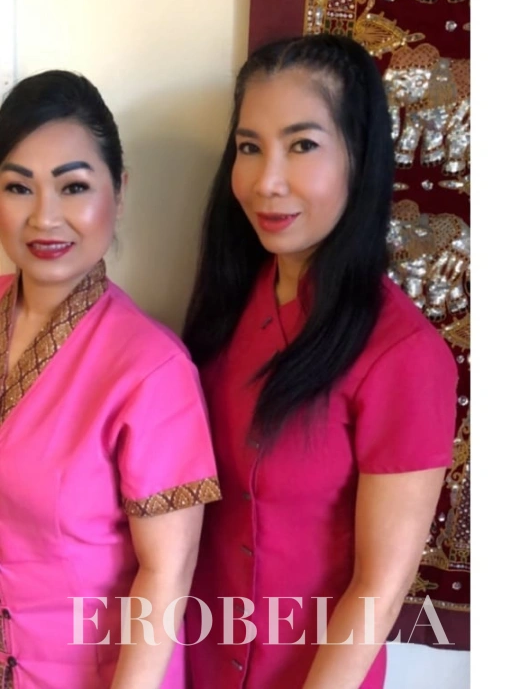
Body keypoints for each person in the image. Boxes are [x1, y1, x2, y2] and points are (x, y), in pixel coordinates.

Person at [183, 34, 457, 689]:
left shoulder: (403, 356)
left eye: (302, 145)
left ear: (359, 156)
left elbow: (378, 588)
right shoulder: (225, 312)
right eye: (250, 148)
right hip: (191, 664)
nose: (265, 182)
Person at [0, 70, 220, 689]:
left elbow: (167, 576)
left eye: (73, 186)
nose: (44, 217)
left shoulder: (152, 370)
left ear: (119, 191)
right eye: (18, 187)